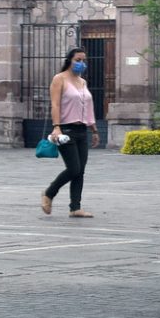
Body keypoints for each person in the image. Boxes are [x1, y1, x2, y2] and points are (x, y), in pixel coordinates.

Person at [40, 47, 100, 218]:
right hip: (65, 129)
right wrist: (56, 126)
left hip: (82, 130)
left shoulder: (82, 82)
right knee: (73, 168)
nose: (81, 63)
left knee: (81, 170)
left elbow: (88, 108)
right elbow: (55, 104)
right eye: (78, 60)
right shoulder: (59, 79)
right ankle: (49, 193)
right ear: (69, 60)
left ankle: (75, 207)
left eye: (83, 60)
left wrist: (94, 129)